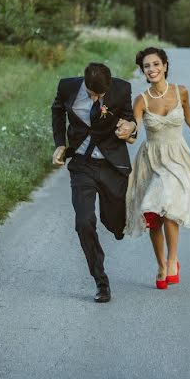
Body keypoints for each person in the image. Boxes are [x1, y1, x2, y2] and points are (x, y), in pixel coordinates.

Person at [124, 47, 190, 288]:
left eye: (155, 64)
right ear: (143, 71)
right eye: (146, 67)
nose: (151, 69)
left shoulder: (180, 92)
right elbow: (135, 132)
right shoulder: (140, 101)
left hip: (178, 158)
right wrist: (125, 133)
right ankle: (161, 264)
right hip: (152, 159)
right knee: (153, 213)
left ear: (165, 66)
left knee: (169, 205)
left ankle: (173, 261)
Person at [52, 62, 138, 303]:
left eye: (99, 95)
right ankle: (101, 281)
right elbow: (57, 110)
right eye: (91, 93)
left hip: (112, 166)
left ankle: (116, 225)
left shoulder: (122, 89)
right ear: (84, 82)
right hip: (82, 166)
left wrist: (130, 129)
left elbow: (130, 120)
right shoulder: (67, 87)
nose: (95, 98)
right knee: (84, 221)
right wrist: (60, 143)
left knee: (114, 222)